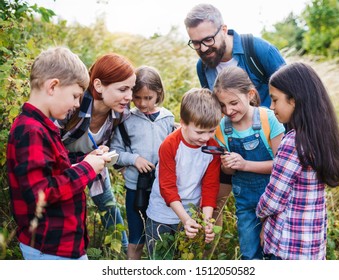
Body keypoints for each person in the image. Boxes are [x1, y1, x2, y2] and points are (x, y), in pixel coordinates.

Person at [184, 3, 287, 243]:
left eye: (207, 40)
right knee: (216, 199)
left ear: (224, 29)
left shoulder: (256, 49)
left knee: (272, 210)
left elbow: (292, 90)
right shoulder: (204, 66)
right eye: (195, 43)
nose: (202, 48)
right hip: (230, 141)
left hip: (266, 141)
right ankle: (211, 252)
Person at [7, 46, 112, 260]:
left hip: (61, 244)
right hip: (50, 249)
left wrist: (87, 159)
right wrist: (86, 169)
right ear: (53, 86)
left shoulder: (42, 126)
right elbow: (41, 195)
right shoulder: (31, 131)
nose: (76, 104)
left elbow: (54, 170)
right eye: (75, 96)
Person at [256, 62, 339, 260]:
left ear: (294, 100)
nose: (271, 107)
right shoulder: (322, 136)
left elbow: (273, 200)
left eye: (274, 99)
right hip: (312, 248)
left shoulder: (293, 141)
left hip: (286, 247)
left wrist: (259, 213)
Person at [55, 53, 136, 252]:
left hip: (93, 163)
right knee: (62, 210)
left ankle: (123, 255)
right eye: (123, 89)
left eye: (131, 89)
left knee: (109, 206)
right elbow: (48, 141)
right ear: (99, 85)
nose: (129, 97)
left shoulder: (120, 113)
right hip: (62, 166)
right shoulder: (74, 105)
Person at [212, 66, 285, 259]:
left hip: (275, 203)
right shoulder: (221, 129)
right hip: (246, 205)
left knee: (275, 254)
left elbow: (281, 166)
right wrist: (227, 166)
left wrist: (245, 164)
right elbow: (227, 173)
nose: (228, 110)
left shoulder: (268, 118)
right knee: (250, 253)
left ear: (250, 94)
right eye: (222, 105)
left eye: (234, 102)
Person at [145, 88, 221, 259]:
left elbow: (210, 187)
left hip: (191, 216)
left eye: (211, 130)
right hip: (161, 216)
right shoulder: (170, 145)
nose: (205, 137)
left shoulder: (213, 148)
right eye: (200, 132)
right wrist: (185, 219)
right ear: (183, 123)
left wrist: (207, 221)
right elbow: (167, 187)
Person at [110, 66, 175, 259]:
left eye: (148, 98)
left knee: (161, 237)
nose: (142, 103)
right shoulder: (127, 119)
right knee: (136, 237)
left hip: (161, 188)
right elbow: (116, 153)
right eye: (137, 97)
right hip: (135, 187)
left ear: (159, 94)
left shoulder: (168, 118)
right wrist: (134, 159)